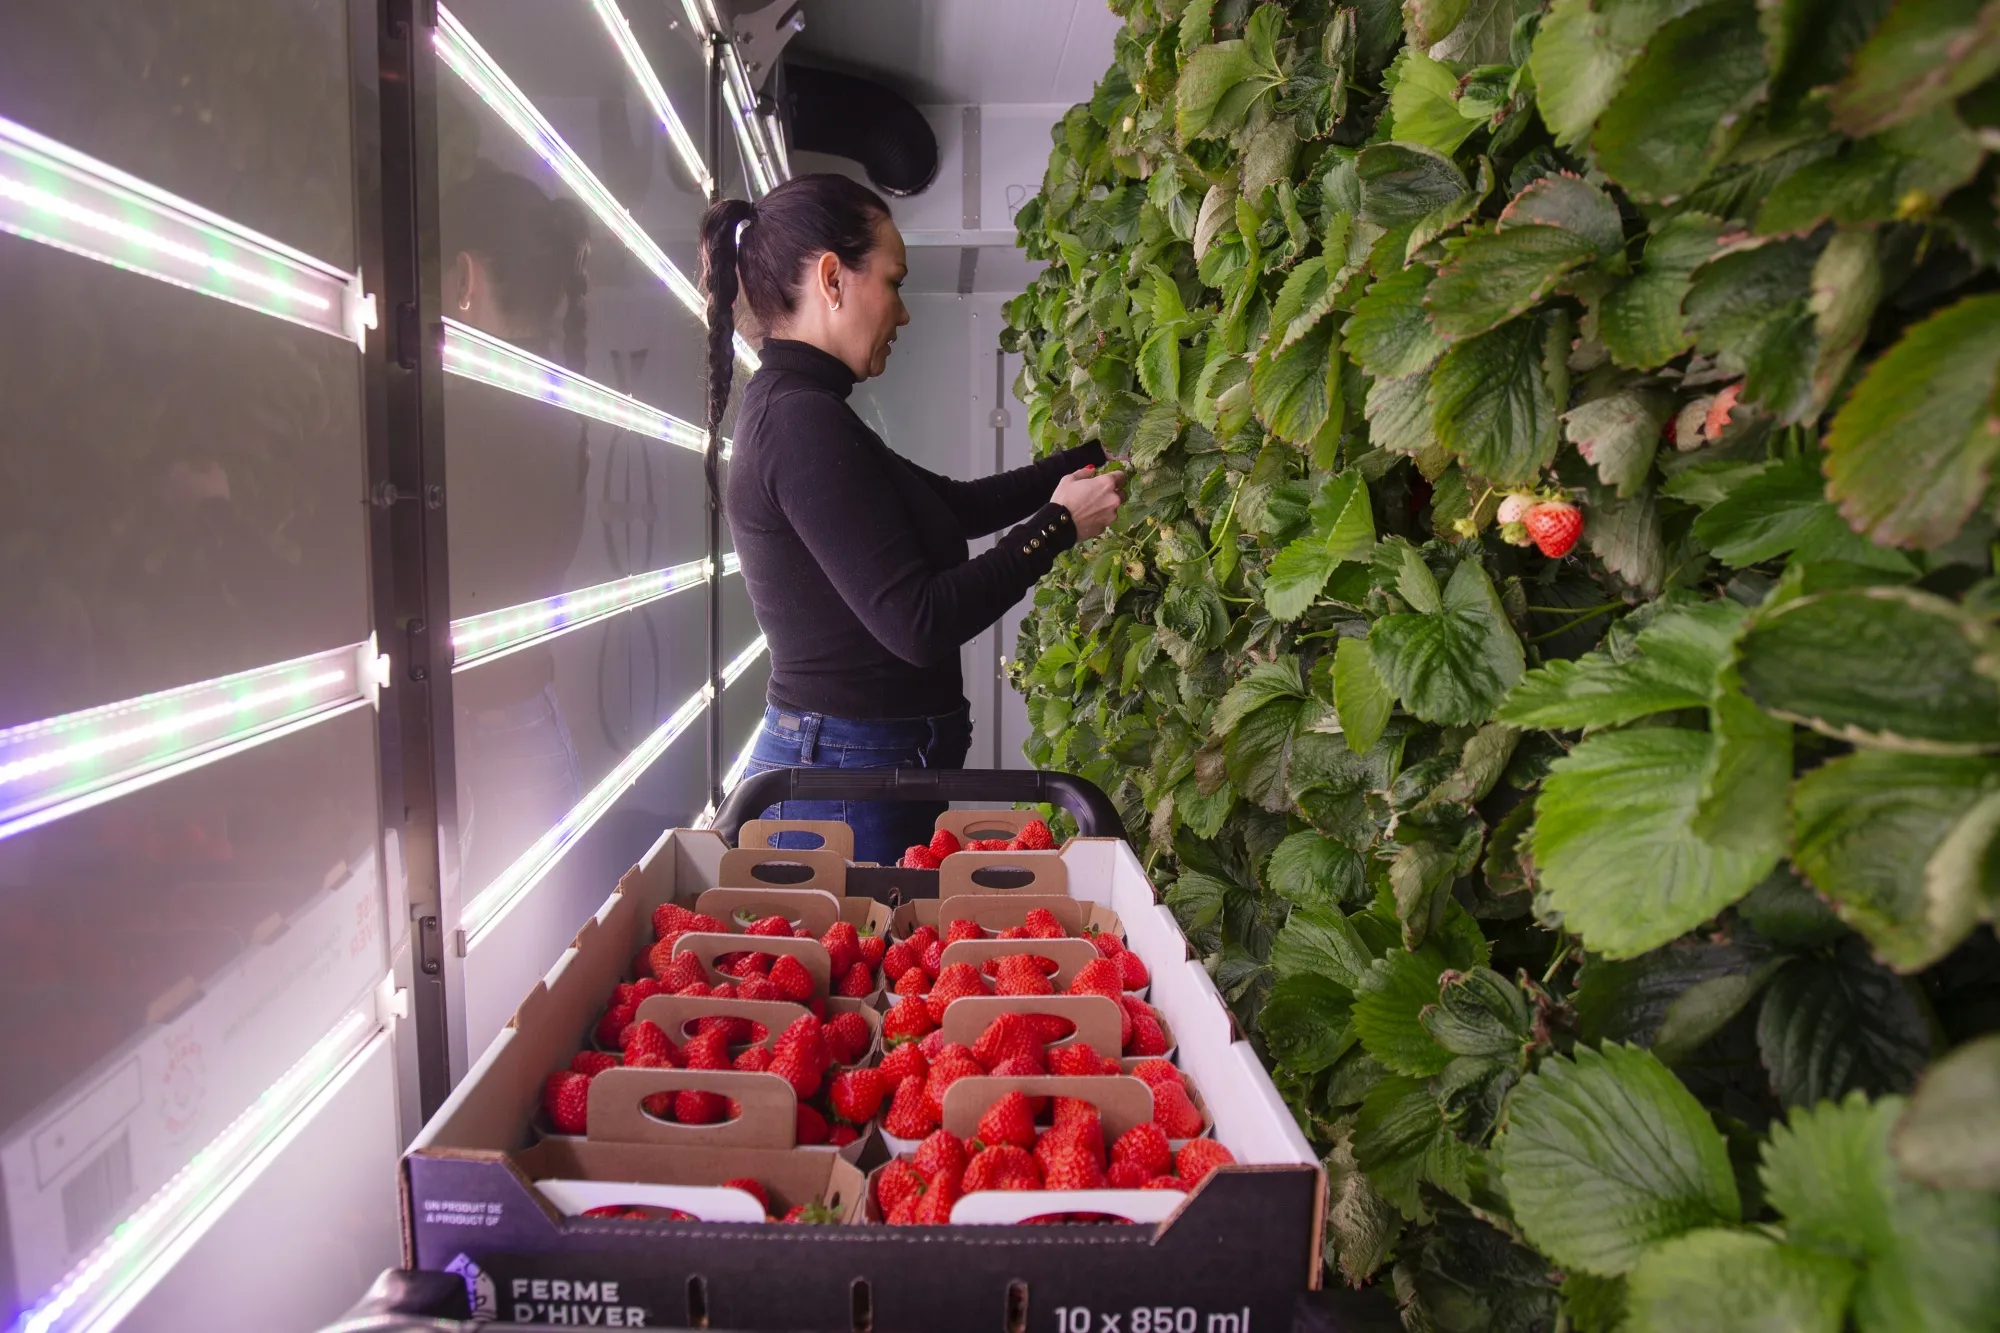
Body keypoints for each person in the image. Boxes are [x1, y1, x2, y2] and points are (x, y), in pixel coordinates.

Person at [699, 173, 1124, 864]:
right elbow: (917, 624)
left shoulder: (808, 408)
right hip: (844, 782)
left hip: (856, 767)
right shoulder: (799, 423)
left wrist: (1094, 457)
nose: (902, 313)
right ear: (832, 279)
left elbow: (957, 505)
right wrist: (1059, 527)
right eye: (893, 283)